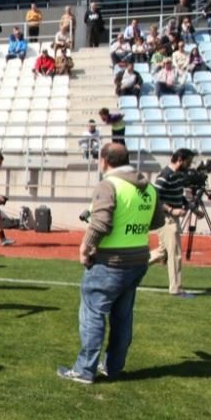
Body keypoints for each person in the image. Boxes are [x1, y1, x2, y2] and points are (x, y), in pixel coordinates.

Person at [57, 143, 165, 384]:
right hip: (138, 259)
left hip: (111, 261)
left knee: (94, 312)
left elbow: (101, 224)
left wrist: (85, 247)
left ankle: (85, 369)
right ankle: (114, 366)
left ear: (104, 160)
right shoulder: (149, 187)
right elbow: (157, 221)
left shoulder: (109, 185)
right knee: (123, 315)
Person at [149, 148, 196, 298]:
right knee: (175, 253)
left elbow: (179, 196)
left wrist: (193, 209)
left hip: (171, 217)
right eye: (189, 161)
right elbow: (154, 197)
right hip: (166, 218)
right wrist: (171, 210)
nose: (190, 164)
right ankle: (176, 289)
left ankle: (132, 267)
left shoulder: (179, 175)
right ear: (180, 160)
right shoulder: (165, 175)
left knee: (163, 252)